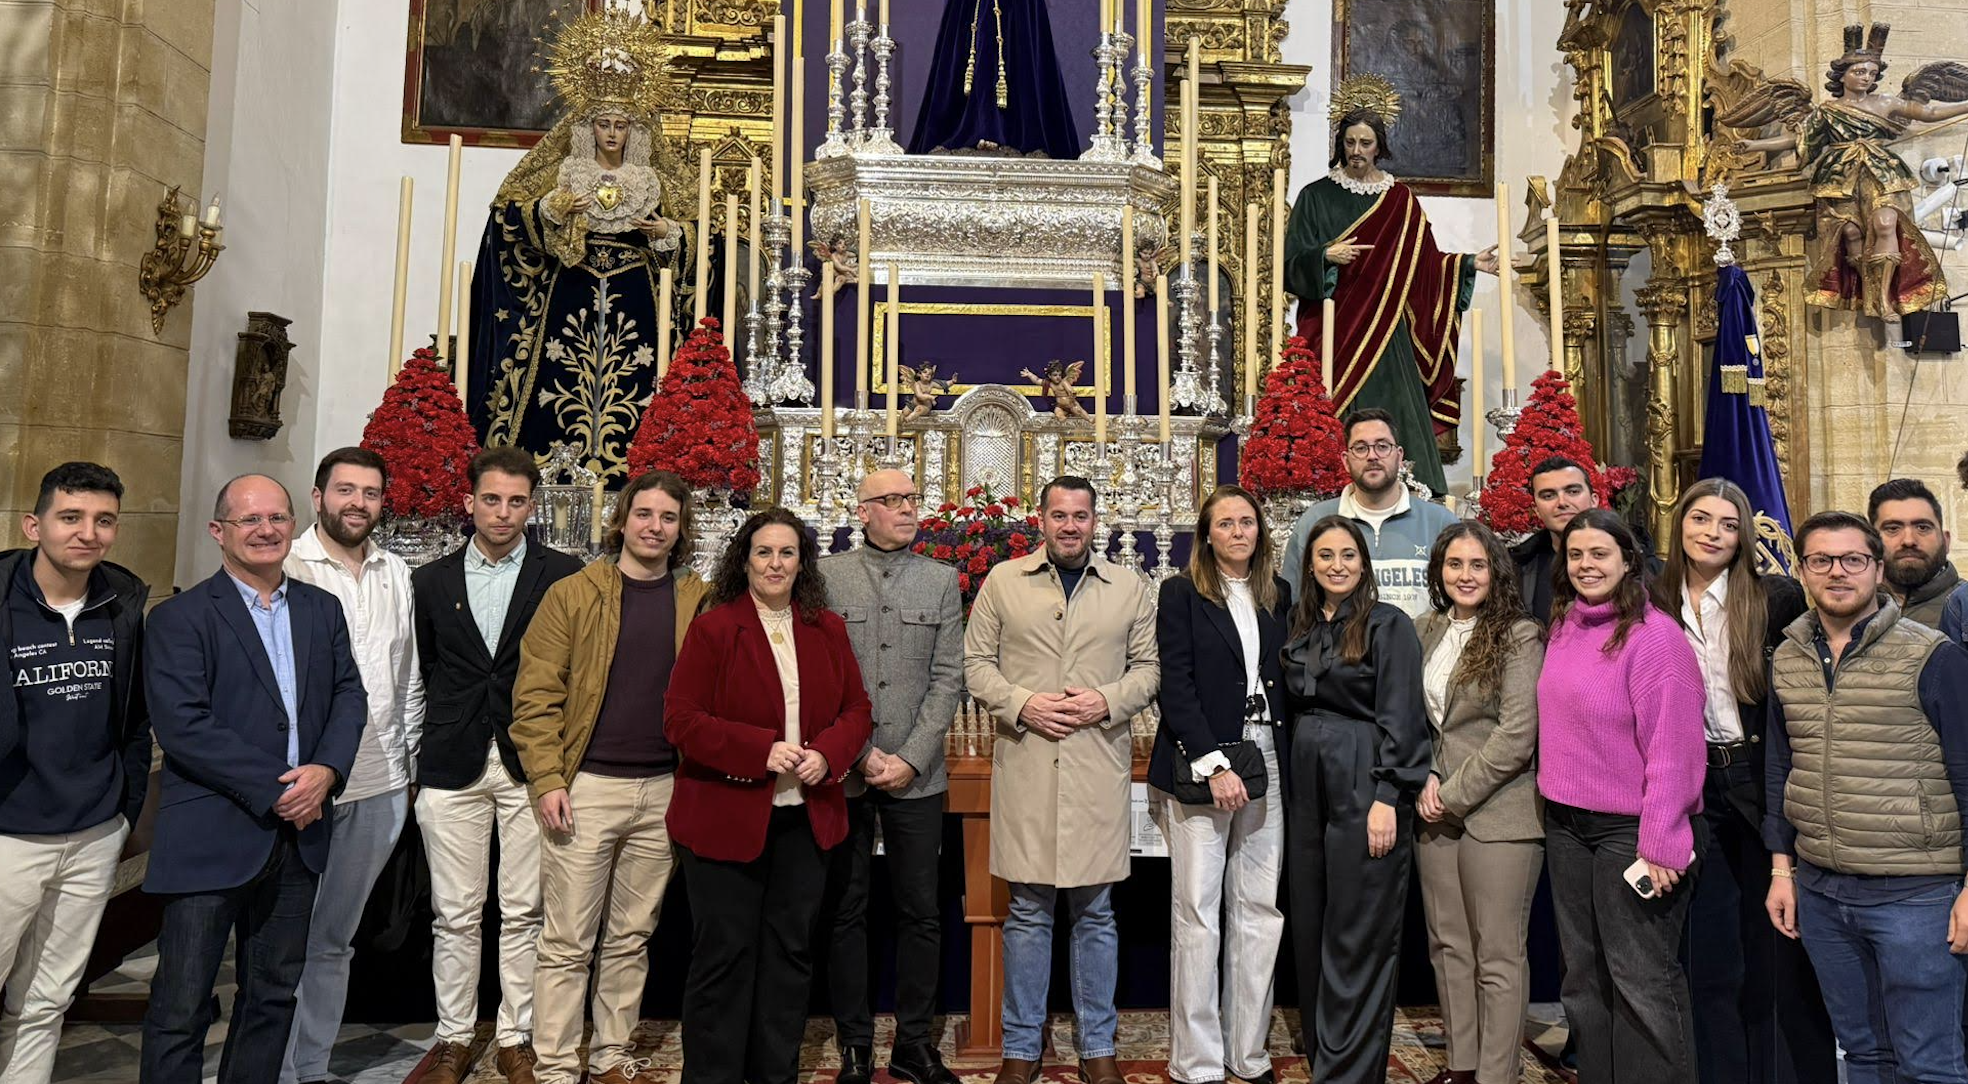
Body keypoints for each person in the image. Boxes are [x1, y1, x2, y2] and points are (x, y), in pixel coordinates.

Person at [138, 475, 366, 1084]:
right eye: (250, 520)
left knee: (271, 995)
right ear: (219, 531)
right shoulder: (180, 617)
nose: (267, 530)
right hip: (213, 834)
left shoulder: (322, 609)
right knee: (181, 1004)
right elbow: (185, 726)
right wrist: (282, 789)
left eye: (278, 518)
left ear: (294, 525)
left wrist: (327, 771)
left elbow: (350, 696)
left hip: (300, 838)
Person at [509, 469, 708, 1084]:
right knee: (567, 940)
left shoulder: (694, 599)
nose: (655, 527)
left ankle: (611, 1053)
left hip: (664, 789)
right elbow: (536, 695)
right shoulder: (573, 594)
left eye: (668, 518)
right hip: (586, 786)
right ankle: (556, 1063)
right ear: (622, 520)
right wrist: (547, 781)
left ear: (681, 530)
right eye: (644, 514)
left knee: (630, 936)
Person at [963, 476, 1159, 1084]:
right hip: (1027, 764)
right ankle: (1022, 1047)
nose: (1070, 526)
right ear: (1039, 520)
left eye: (1080, 516)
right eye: (1059, 515)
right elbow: (974, 663)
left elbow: (1150, 669)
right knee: (1027, 911)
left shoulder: (1129, 586)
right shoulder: (1003, 581)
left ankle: (1097, 1045)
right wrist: (1021, 703)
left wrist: (1105, 700)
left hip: (1097, 765)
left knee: (1097, 912)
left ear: (1095, 521)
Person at [666, 508, 873, 1084]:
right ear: (745, 559)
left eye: (787, 553)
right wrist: (759, 749)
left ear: (802, 562)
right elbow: (681, 721)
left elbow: (858, 710)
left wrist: (828, 753)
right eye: (764, 552)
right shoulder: (714, 627)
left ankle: (773, 1075)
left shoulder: (825, 627)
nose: (775, 563)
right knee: (724, 958)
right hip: (725, 818)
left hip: (805, 820)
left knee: (789, 957)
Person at [1764, 511, 1968, 1084]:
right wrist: (1783, 870)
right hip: (1823, 890)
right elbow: (1782, 767)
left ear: (1877, 569)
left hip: (1916, 894)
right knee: (1863, 1055)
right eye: (1821, 560)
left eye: (1853, 559)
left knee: (1928, 1062)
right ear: (1802, 569)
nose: (1837, 572)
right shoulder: (1789, 655)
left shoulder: (1933, 655)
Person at [410, 447, 584, 1084]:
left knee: (525, 911)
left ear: (531, 507)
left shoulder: (563, 575)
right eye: (491, 499)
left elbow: (572, 672)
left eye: (516, 502)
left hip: (531, 765)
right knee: (454, 912)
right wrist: (411, 765)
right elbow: (418, 675)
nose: (503, 512)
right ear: (469, 503)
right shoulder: (429, 581)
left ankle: (515, 1035)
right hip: (450, 762)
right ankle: (454, 1037)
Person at [1651, 480, 1834, 1084]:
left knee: (1778, 942)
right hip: (1692, 781)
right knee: (1709, 947)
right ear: (1680, 525)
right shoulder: (1652, 598)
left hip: (1761, 779)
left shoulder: (1774, 598)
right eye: (1700, 519)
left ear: (1742, 538)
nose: (1711, 532)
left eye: (1727, 525)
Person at [471, 7, 687, 473]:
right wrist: (549, 211)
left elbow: (706, 236)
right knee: (552, 382)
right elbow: (508, 219)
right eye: (603, 123)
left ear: (635, 129)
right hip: (570, 288)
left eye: (621, 124)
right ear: (588, 126)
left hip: (639, 296)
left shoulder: (658, 180)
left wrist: (668, 233)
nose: (611, 133)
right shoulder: (561, 171)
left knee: (643, 388)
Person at [1537, 508, 1708, 1083]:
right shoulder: (1565, 624)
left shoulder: (1655, 638)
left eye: (1599, 554)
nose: (1586, 565)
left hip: (1629, 832)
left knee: (1640, 978)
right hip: (1566, 825)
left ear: (1629, 560)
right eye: (1576, 555)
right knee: (1583, 977)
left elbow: (1675, 750)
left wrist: (1660, 841)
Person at [0, 464, 150, 1084]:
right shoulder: (5, 601)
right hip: (9, 833)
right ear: (35, 524)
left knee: (45, 1002)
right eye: (71, 517)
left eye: (103, 520)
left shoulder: (122, 604)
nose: (88, 533)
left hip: (92, 833)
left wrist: (122, 807)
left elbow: (136, 718)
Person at [279, 448, 424, 1084]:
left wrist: (408, 761)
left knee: (335, 938)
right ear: (318, 497)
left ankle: (307, 1067)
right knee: (283, 938)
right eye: (345, 490)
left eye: (369, 492)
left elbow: (408, 675)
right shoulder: (286, 563)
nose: (357, 503)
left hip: (381, 780)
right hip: (303, 783)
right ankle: (269, 1064)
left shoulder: (396, 571)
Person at [816, 471, 965, 1084]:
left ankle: (913, 1046)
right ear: (863, 510)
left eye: (911, 499)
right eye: (892, 501)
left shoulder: (940, 578)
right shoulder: (825, 577)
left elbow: (948, 676)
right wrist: (856, 754)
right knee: (846, 909)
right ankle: (854, 1044)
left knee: (920, 912)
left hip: (916, 774)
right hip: (843, 773)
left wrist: (909, 755)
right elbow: (818, 674)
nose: (906, 509)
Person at [1284, 81, 1500, 494]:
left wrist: (1468, 263)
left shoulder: (1399, 199)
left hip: (1388, 333)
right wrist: (1324, 257)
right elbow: (1290, 263)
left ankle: (1411, 491)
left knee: (1397, 417)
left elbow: (1425, 265)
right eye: (1349, 142)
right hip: (1333, 330)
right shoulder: (1316, 196)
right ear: (1340, 144)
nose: (1356, 151)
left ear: (1379, 146)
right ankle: (1324, 489)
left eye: (1366, 142)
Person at [1148, 485, 1292, 1084]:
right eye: (1225, 523)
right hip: (1202, 760)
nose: (1238, 531)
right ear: (1205, 534)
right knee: (1199, 911)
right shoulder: (1180, 593)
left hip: (1267, 757)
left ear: (1260, 532)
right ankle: (1199, 1059)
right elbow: (1174, 684)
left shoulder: (1278, 595)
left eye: (1247, 522)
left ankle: (1247, 1050)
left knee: (1260, 909)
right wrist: (1214, 763)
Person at [1280, 514, 1427, 1084]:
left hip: (1364, 778)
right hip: (1305, 780)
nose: (1336, 565)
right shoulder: (1296, 624)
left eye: (1348, 554)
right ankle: (1324, 1054)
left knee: (1358, 926)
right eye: (1325, 556)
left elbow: (1402, 716)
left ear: (1363, 563)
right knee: (1312, 922)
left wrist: (1389, 795)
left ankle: (1351, 1071)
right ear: (1310, 565)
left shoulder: (1389, 625)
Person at [1413, 521, 1545, 1084]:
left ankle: (1497, 1074)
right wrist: (1422, 778)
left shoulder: (1520, 634)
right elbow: (1409, 720)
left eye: (1477, 565)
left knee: (1497, 953)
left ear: (1496, 572)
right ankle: (1462, 1065)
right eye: (1454, 565)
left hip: (1501, 811)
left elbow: (1517, 735)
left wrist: (1453, 793)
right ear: (1439, 571)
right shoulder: (1424, 629)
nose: (1465, 576)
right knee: (1449, 945)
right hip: (1433, 809)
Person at [1729, 24, 1968, 319]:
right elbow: (1799, 138)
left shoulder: (1885, 103)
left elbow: (1928, 114)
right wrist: (1754, 144)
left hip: (1881, 171)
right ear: (1842, 75)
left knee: (1885, 223)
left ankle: (1883, 297)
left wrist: (1965, 106)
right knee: (1851, 233)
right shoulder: (1828, 111)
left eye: (1870, 73)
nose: (1866, 78)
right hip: (1840, 176)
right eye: (1859, 72)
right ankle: (1863, 290)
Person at [1280, 408, 1459, 616]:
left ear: (1399, 456)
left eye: (1382, 446)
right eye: (1361, 447)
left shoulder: (1441, 523)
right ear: (1346, 461)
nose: (1372, 456)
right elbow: (1294, 606)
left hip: (1423, 648)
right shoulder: (1316, 521)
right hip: (1338, 647)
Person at [1868, 478, 1968, 644]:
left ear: (1946, 540)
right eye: (1892, 528)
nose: (1908, 540)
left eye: (1922, 527)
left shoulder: (1963, 610)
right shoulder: (1850, 611)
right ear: (1870, 542)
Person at [1512, 457, 1597, 625]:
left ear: (1594, 500)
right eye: (1548, 495)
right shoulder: (1520, 566)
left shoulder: (1630, 559)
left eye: (1572, 491)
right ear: (1536, 510)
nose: (1562, 503)